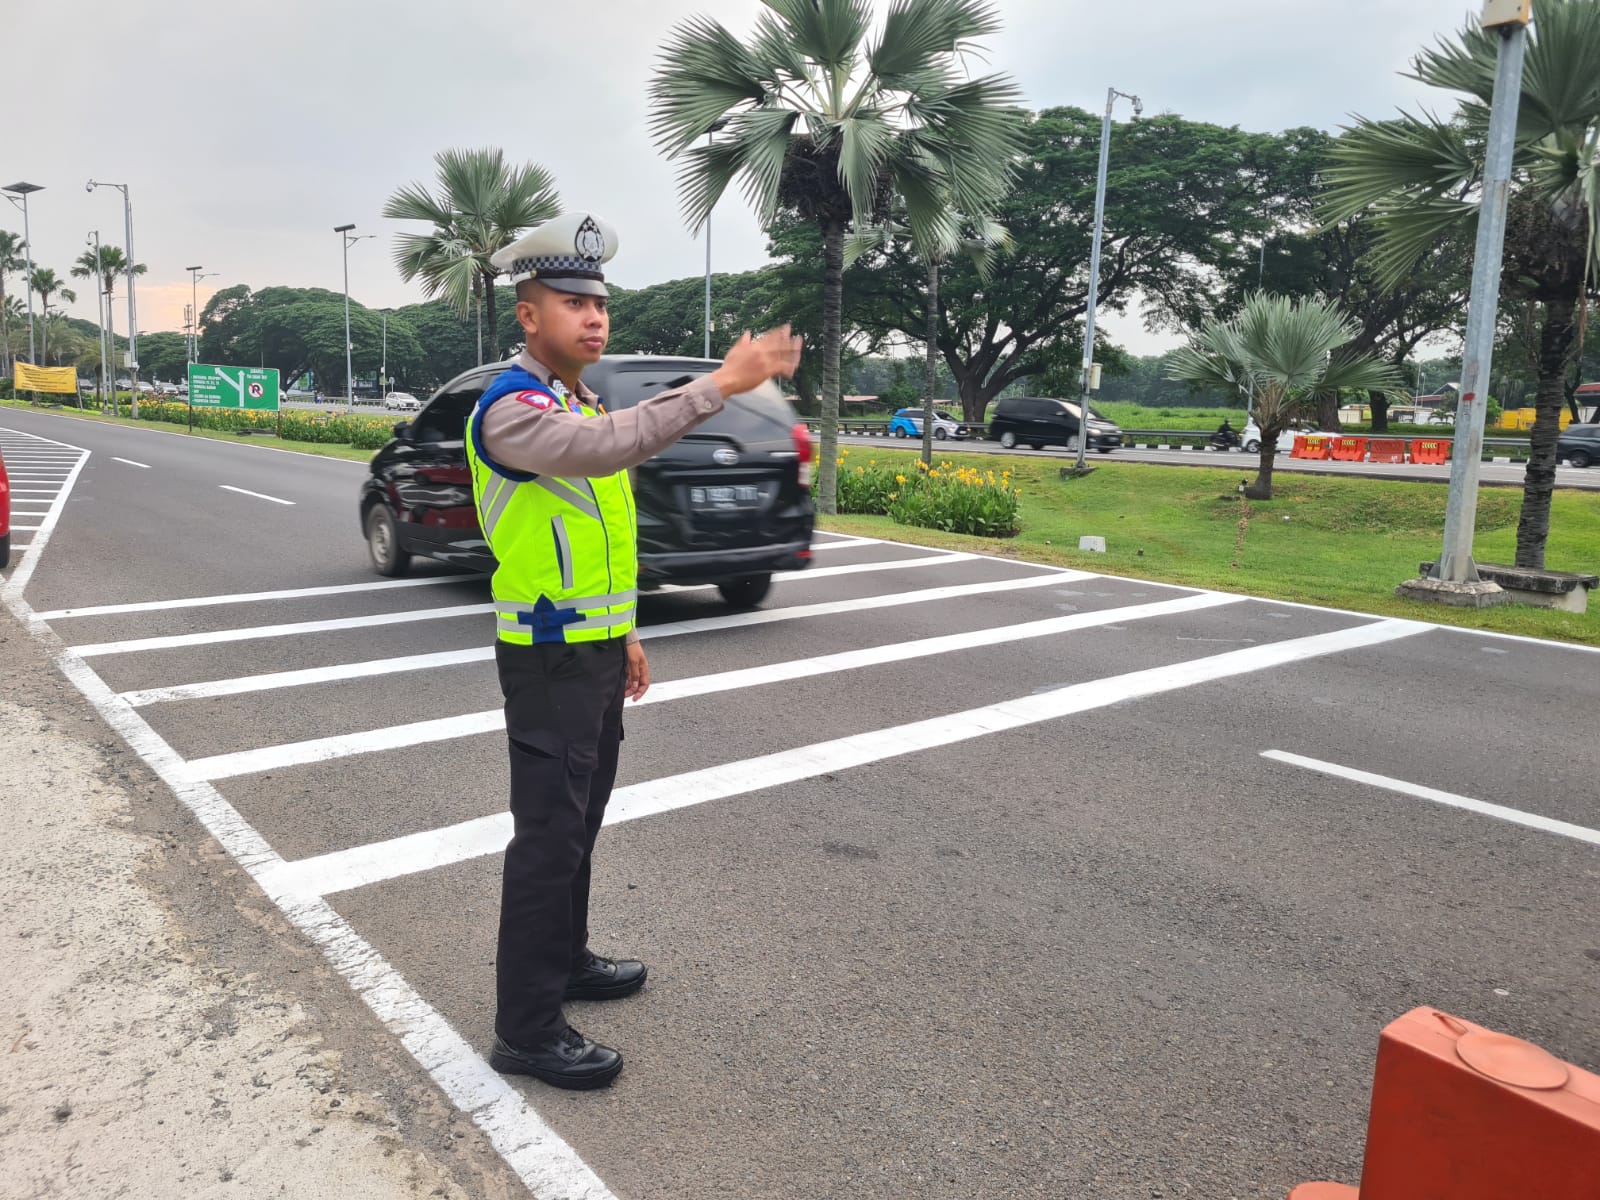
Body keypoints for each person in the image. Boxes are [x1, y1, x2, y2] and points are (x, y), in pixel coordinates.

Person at [466, 212, 802, 1090]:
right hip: (546, 661)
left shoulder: (579, 397)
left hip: (594, 650)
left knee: (580, 822)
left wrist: (627, 632)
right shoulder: (514, 408)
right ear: (528, 317)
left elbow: (599, 533)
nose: (593, 318)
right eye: (571, 302)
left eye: (599, 304)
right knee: (547, 837)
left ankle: (566, 959)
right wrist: (716, 385)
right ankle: (527, 1030)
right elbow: (605, 450)